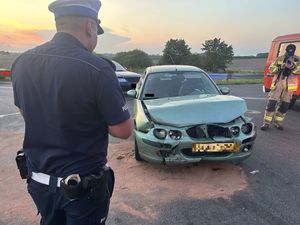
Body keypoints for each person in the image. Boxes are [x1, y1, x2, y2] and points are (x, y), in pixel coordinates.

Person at [11, 0, 132, 224]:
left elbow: (25, 112)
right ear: (90, 27)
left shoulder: (22, 62)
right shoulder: (97, 68)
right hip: (81, 190)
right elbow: (123, 130)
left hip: (39, 184)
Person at [261, 44, 300, 131]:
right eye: (288, 52)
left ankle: (278, 123)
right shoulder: (279, 58)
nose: (289, 54)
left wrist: (292, 67)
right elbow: (271, 69)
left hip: (289, 84)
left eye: (291, 52)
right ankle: (266, 123)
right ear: (285, 50)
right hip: (278, 82)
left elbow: (298, 70)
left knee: (284, 106)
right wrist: (279, 67)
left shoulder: (297, 59)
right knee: (271, 104)